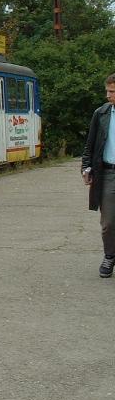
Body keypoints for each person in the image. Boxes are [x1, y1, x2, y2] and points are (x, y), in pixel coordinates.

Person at [82, 73, 115, 277]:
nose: (108, 95)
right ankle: (110, 256)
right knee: (108, 222)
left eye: (112, 91)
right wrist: (86, 167)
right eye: (107, 91)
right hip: (108, 173)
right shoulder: (101, 114)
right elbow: (90, 144)